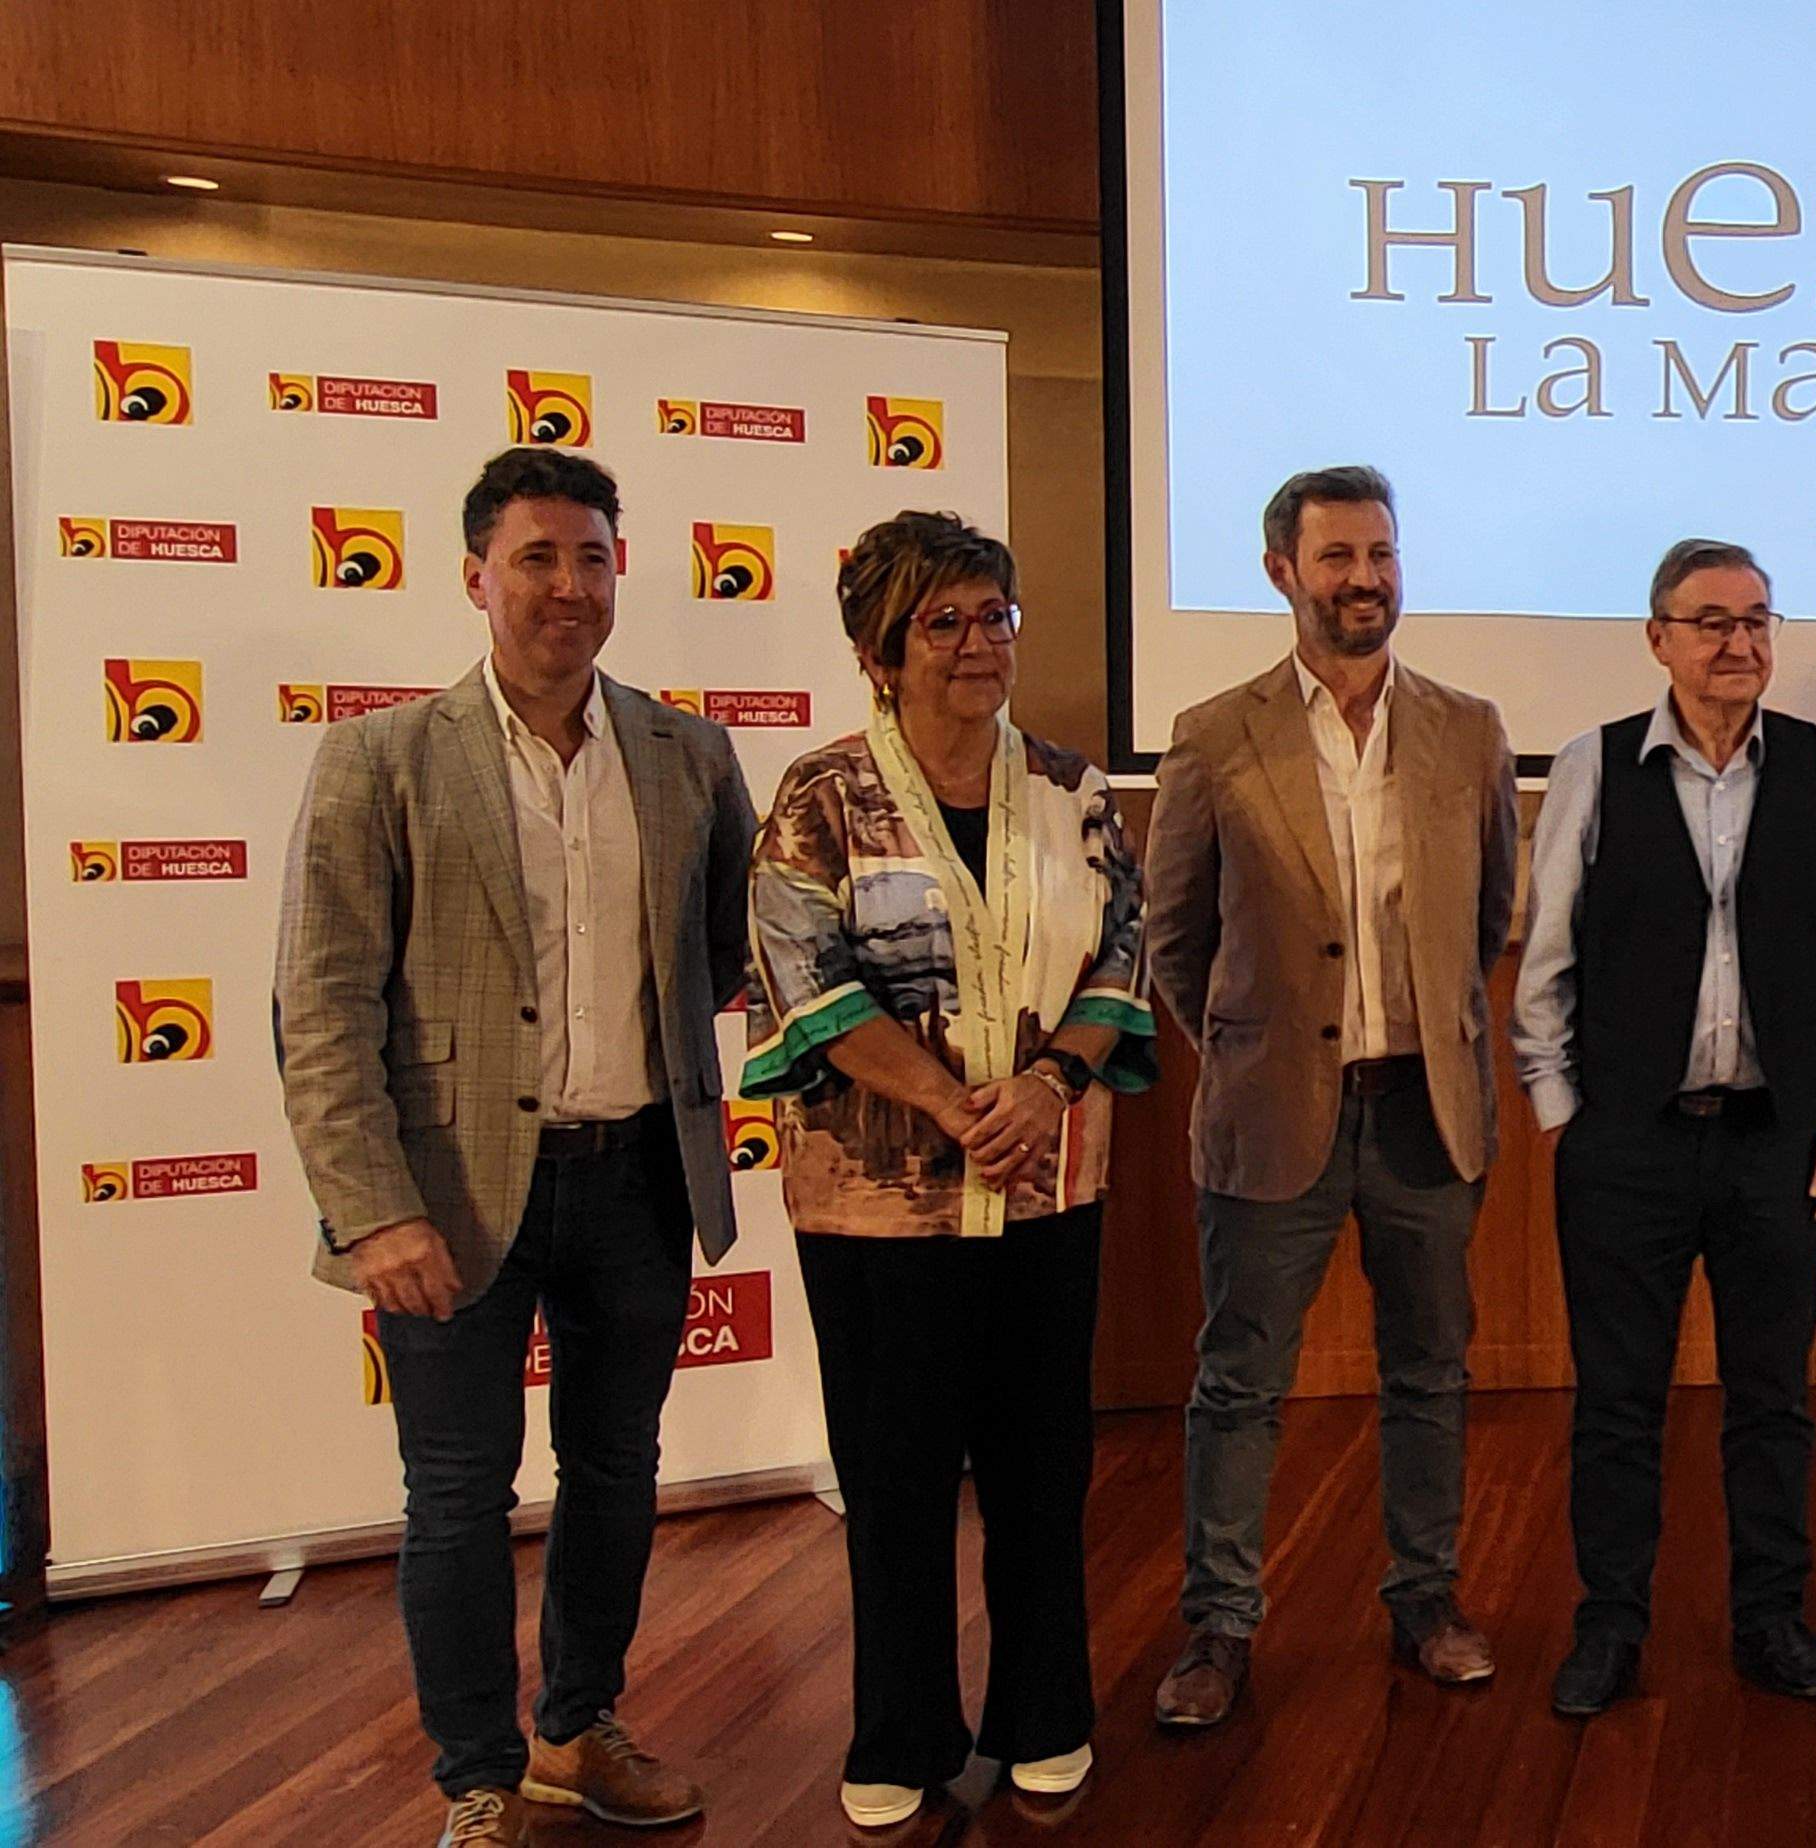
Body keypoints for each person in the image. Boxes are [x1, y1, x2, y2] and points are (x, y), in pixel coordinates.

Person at [276, 448, 755, 1848]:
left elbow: (719, 956)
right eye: (537, 558)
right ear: (474, 574)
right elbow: (322, 1000)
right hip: (448, 1198)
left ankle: (577, 1730)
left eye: (592, 558)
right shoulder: (383, 756)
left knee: (616, 1471)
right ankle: (477, 1774)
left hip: (636, 1185)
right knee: (456, 1496)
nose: (568, 586)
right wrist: (372, 1211)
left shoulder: (687, 755)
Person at [744, 512, 1155, 1832]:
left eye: (997, 617)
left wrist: (1046, 1087)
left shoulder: (1074, 790)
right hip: (879, 1209)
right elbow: (802, 982)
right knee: (897, 1475)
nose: (980, 645)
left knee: (1044, 1468)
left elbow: (1122, 959)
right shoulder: (820, 796)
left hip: (1047, 1181)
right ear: (880, 649)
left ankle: (1046, 1715)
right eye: (945, 622)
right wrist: (945, 1103)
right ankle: (899, 1731)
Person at [1142, 467, 1520, 1717]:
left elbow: (1487, 919)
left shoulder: (1467, 728)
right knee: (1241, 1381)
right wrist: (1255, 1050)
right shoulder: (1212, 732)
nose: (1365, 578)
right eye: (1337, 557)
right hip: (1274, 1111)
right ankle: (1218, 1630)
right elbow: (1174, 937)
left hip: (1427, 1105)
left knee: (1432, 1370)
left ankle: (1427, 1600)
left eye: (1381, 553)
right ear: (1280, 573)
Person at [1514, 538, 1816, 1717]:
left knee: (1773, 1398)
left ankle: (1771, 1617)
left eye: (1756, 622)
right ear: (1658, 639)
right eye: (1711, 622)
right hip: (1627, 1142)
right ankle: (1610, 1626)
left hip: (1777, 1139)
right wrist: (1564, 1116)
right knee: (1618, 1400)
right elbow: (1548, 960)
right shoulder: (1593, 765)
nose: (1739, 644)